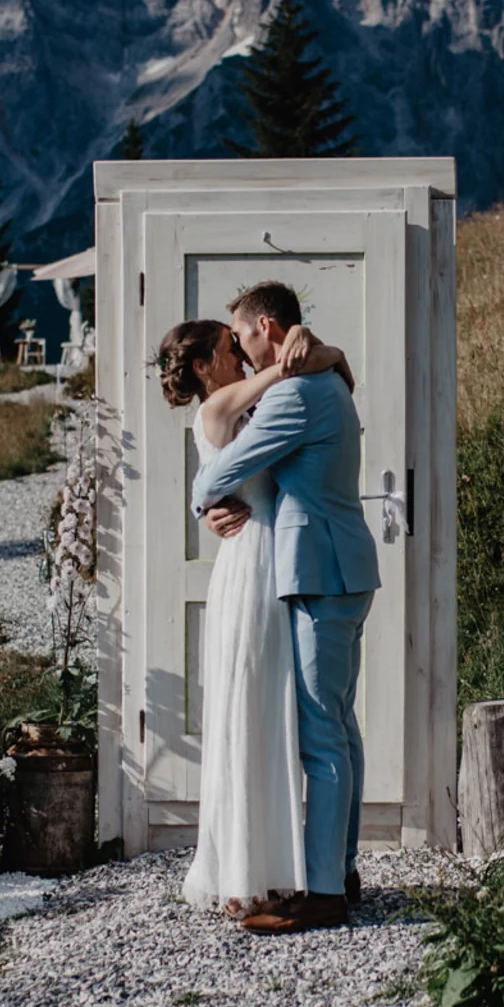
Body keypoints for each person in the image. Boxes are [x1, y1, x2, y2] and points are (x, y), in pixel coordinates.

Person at [186, 281, 382, 936]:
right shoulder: (325, 380)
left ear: (266, 327)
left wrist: (202, 499)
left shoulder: (294, 395)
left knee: (322, 735)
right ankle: (341, 869)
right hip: (343, 569)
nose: (243, 352)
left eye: (243, 336)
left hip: (321, 573)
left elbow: (219, 474)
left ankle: (323, 892)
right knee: (341, 728)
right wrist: (328, 351)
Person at [155, 310, 353, 921]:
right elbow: (281, 378)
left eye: (240, 342)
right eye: (228, 348)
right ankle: (247, 869)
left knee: (276, 715)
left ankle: (285, 865)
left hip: (280, 563)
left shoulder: (253, 403)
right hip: (251, 568)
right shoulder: (217, 410)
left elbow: (298, 380)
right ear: (203, 366)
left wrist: (322, 348)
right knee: (249, 711)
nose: (241, 356)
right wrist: (315, 349)